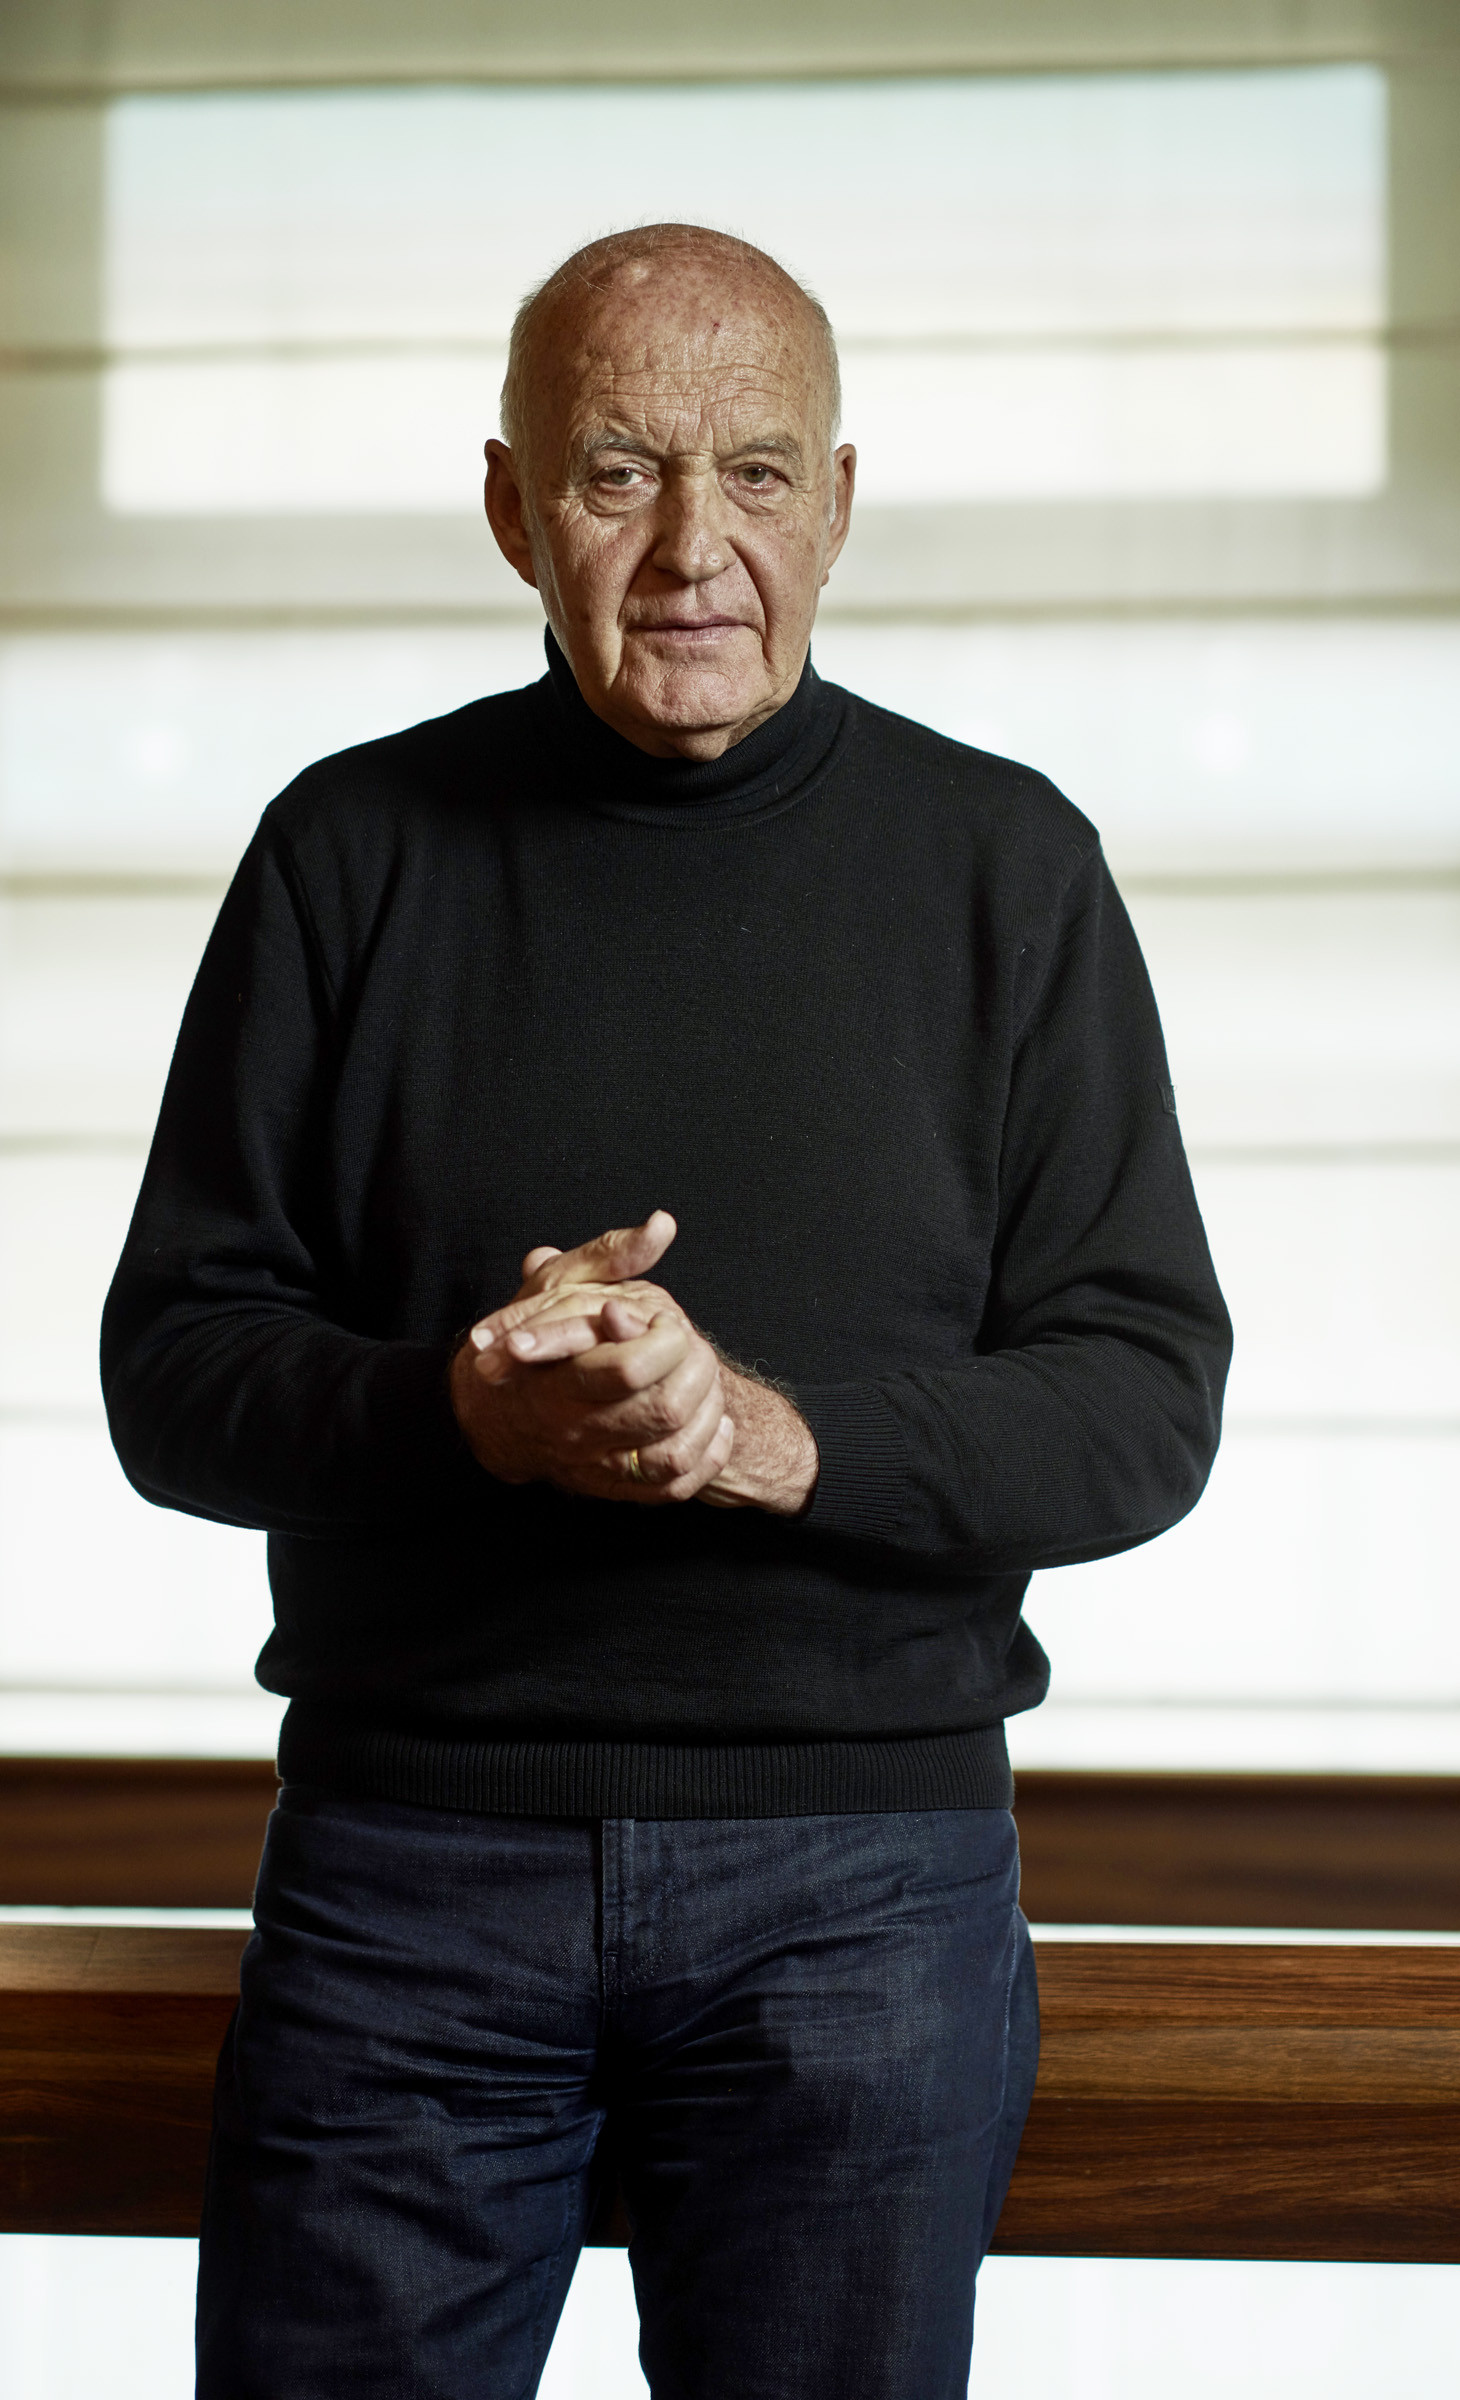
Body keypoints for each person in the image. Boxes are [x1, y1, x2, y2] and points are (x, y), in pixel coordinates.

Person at [102, 222, 1231, 2400]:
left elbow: (1141, 1404)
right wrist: (465, 1408)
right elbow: (172, 1375)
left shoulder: (1008, 867)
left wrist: (763, 1440)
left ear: (840, 502)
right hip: (409, 1871)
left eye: (758, 472)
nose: (695, 546)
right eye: (619, 473)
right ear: (513, 506)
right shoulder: (347, 851)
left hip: (866, 1893)